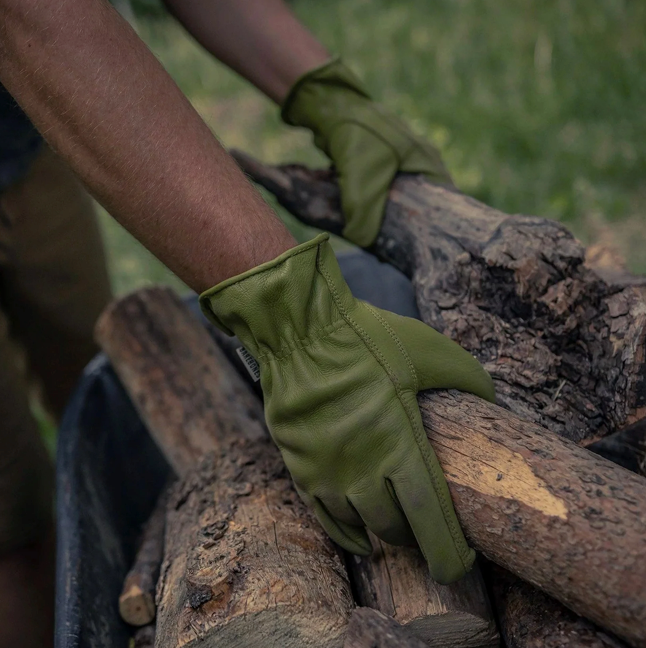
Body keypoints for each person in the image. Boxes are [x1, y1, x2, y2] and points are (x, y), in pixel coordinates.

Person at [0, 1, 495, 645]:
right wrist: (296, 325)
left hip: (21, 141)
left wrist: (328, 93)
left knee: (96, 420)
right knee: (10, 519)